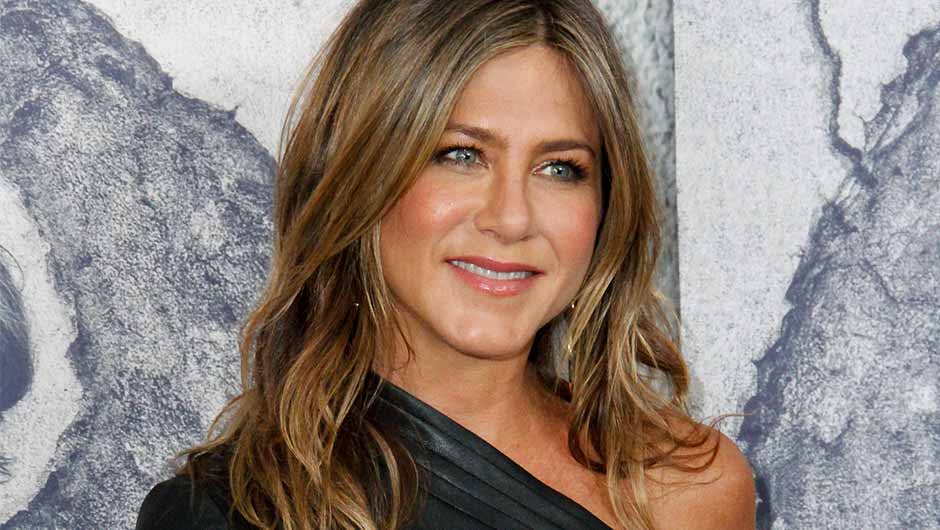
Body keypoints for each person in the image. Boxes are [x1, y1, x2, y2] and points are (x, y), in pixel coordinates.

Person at [136, 0, 756, 528]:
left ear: (607, 206)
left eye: (559, 168)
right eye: (461, 155)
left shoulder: (692, 492)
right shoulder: (232, 513)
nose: (511, 217)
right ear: (357, 174)